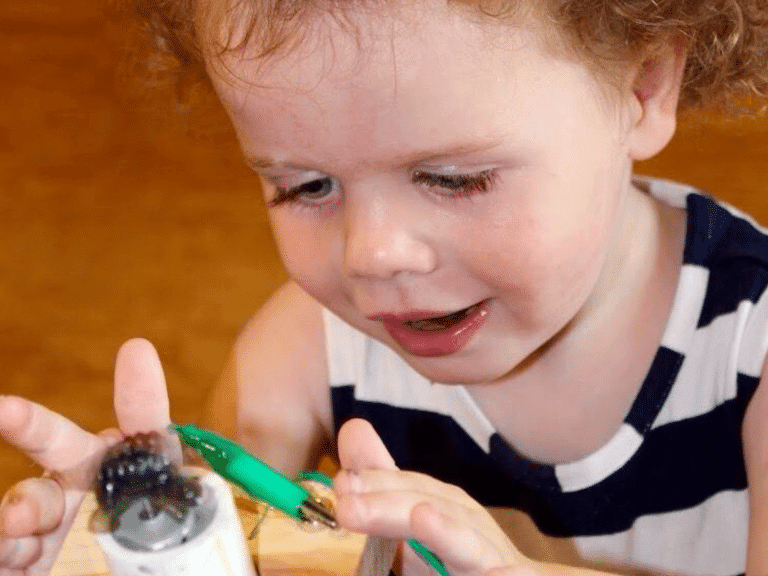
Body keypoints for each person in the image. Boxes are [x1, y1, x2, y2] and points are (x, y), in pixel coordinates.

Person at [2, 0, 768, 575]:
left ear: (643, 88)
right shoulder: (295, 363)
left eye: (452, 178)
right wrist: (161, 543)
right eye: (306, 186)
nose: (374, 257)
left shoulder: (752, 350)